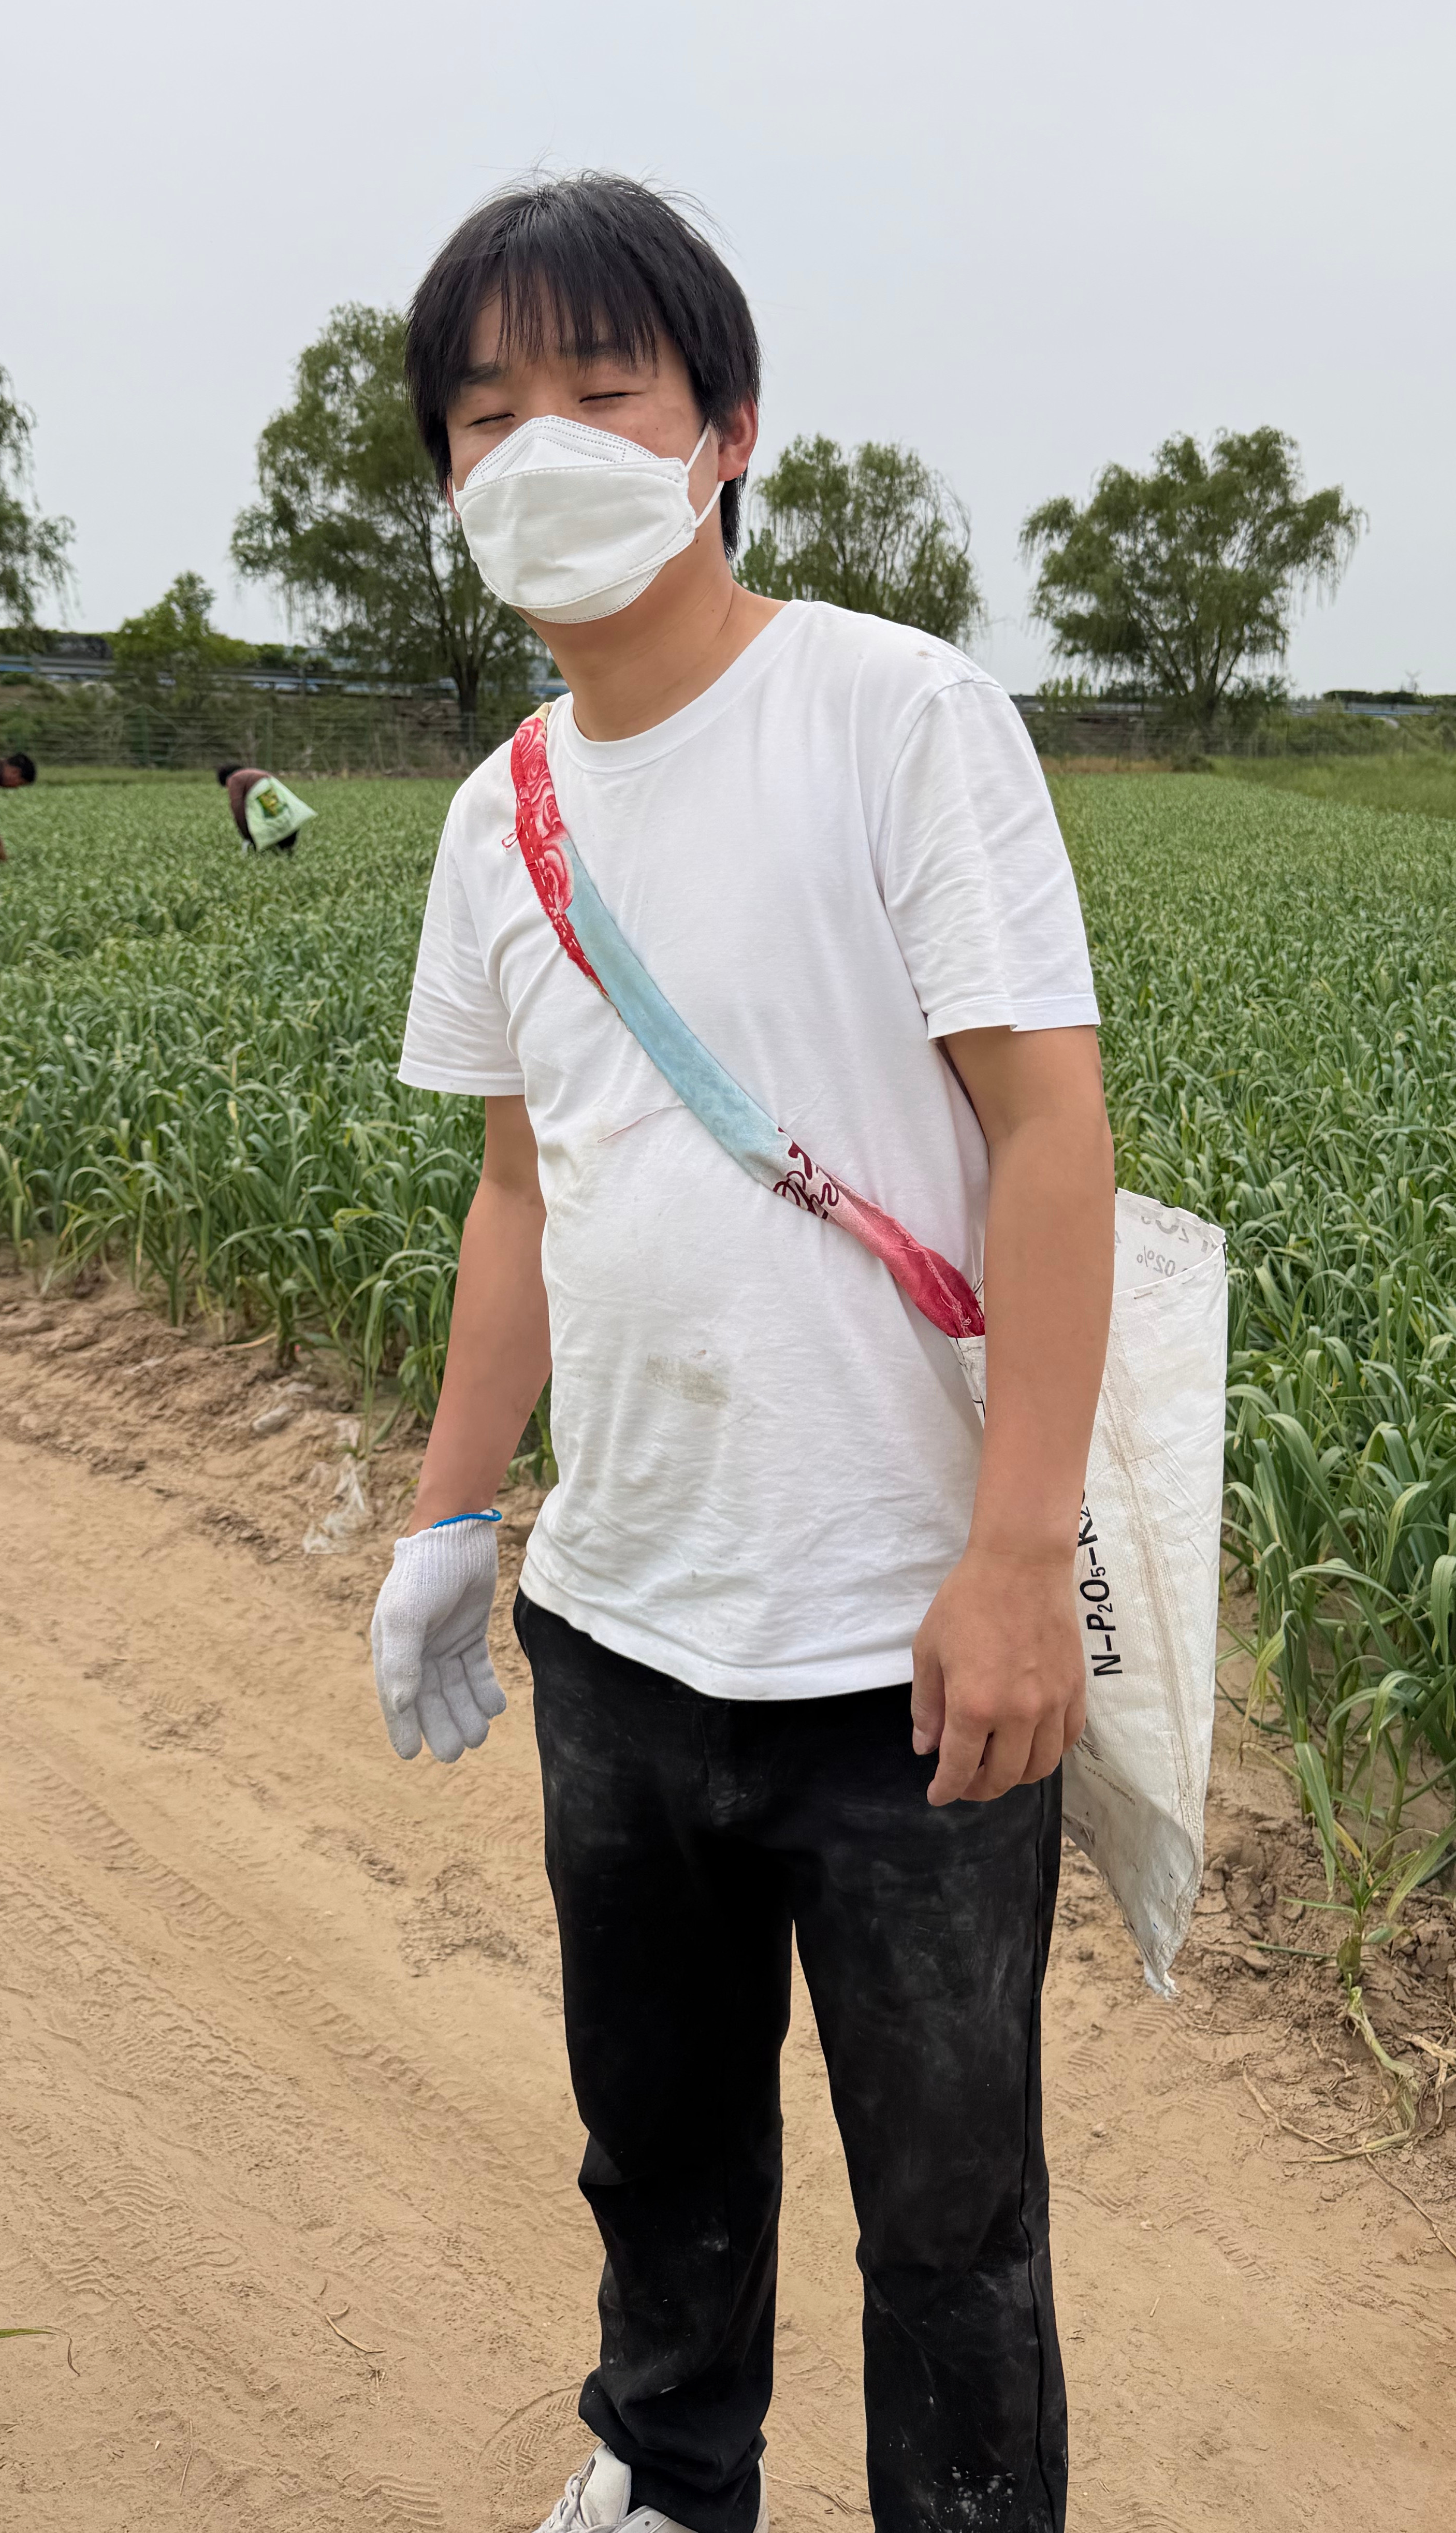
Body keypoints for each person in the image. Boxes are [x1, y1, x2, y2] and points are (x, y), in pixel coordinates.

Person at [374, 176, 1114, 2533]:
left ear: (724, 433)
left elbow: (1051, 1134)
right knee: (656, 2139)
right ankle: (671, 2471)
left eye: (597, 392)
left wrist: (1018, 1558)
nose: (540, 449)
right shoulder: (501, 820)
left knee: (953, 2221)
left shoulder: (896, 718)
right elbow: (524, 1193)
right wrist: (446, 1520)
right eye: (486, 416)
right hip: (619, 1629)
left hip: (903, 1653)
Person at [214, 760, 314, 853]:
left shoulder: (234, 779)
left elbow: (237, 807)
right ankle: (286, 846)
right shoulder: (253, 773)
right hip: (273, 788)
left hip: (262, 791)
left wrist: (247, 835)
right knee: (280, 816)